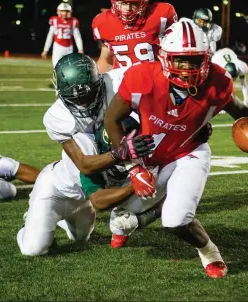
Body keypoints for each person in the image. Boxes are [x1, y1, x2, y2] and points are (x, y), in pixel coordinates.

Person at [104, 20, 248, 278]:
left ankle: (209, 251)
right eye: (180, 60)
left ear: (206, 58)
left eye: (195, 60)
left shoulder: (217, 81)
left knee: (176, 220)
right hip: (149, 157)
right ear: (165, 57)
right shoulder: (141, 76)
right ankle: (150, 210)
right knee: (120, 221)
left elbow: (241, 111)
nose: (188, 68)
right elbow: (111, 119)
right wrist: (132, 167)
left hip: (188, 153)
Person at [43, 52, 167, 248]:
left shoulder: (118, 81)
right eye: (76, 99)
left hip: (129, 143)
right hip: (94, 158)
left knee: (165, 173)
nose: (84, 103)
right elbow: (85, 166)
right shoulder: (60, 119)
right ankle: (61, 205)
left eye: (89, 94)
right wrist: (123, 160)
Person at [17, 118, 151, 256]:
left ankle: (49, 219)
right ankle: (29, 222)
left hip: (82, 199)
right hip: (54, 191)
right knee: (33, 250)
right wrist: (134, 185)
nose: (129, 155)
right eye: (126, 150)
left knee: (81, 238)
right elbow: (99, 202)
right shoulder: (88, 150)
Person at [91, 0, 178, 73]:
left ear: (144, 2)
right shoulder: (103, 22)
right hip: (121, 82)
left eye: (134, 3)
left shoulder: (161, 14)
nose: (128, 8)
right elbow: (107, 59)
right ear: (114, 0)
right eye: (123, 2)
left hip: (154, 79)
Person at [41, 2, 84, 68]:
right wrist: (45, 50)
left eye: (66, 11)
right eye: (62, 11)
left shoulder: (74, 21)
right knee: (57, 67)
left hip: (69, 48)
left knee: (68, 68)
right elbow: (50, 36)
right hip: (57, 47)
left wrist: (80, 49)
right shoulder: (54, 20)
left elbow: (77, 37)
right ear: (58, 11)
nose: (64, 13)